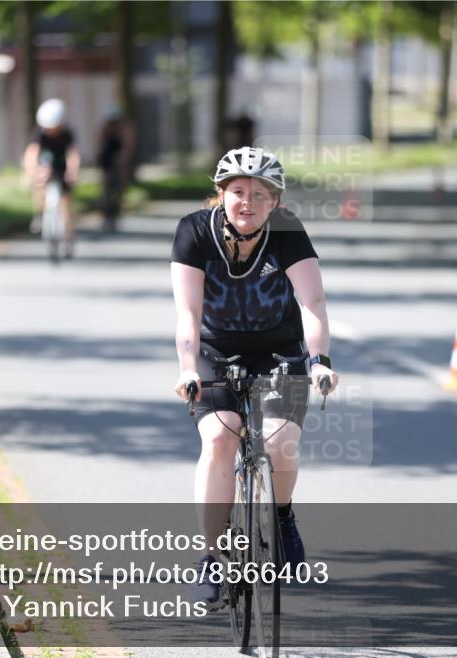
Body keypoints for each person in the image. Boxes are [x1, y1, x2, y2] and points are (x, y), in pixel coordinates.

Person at [170, 147, 338, 608]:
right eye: (239, 192)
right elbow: (188, 313)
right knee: (218, 439)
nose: (248, 202)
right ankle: (210, 557)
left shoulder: (287, 231)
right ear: (221, 194)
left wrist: (319, 360)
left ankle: (282, 517)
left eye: (260, 194)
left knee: (281, 442)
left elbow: (312, 302)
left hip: (279, 350)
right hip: (214, 352)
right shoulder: (193, 232)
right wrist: (188, 368)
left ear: (275, 202)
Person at [22, 98, 80, 256]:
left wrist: (72, 172)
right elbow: (32, 153)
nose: (50, 131)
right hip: (46, 165)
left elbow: (72, 154)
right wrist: (31, 173)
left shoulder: (67, 133)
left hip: (62, 166)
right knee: (39, 184)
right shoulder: (39, 133)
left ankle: (68, 236)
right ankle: (39, 213)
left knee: (66, 203)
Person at [96, 104, 135, 230]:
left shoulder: (124, 129)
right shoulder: (104, 128)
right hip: (106, 161)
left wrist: (122, 157)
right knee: (105, 189)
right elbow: (99, 144)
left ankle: (116, 213)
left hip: (119, 162)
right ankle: (105, 216)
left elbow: (127, 146)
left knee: (119, 189)